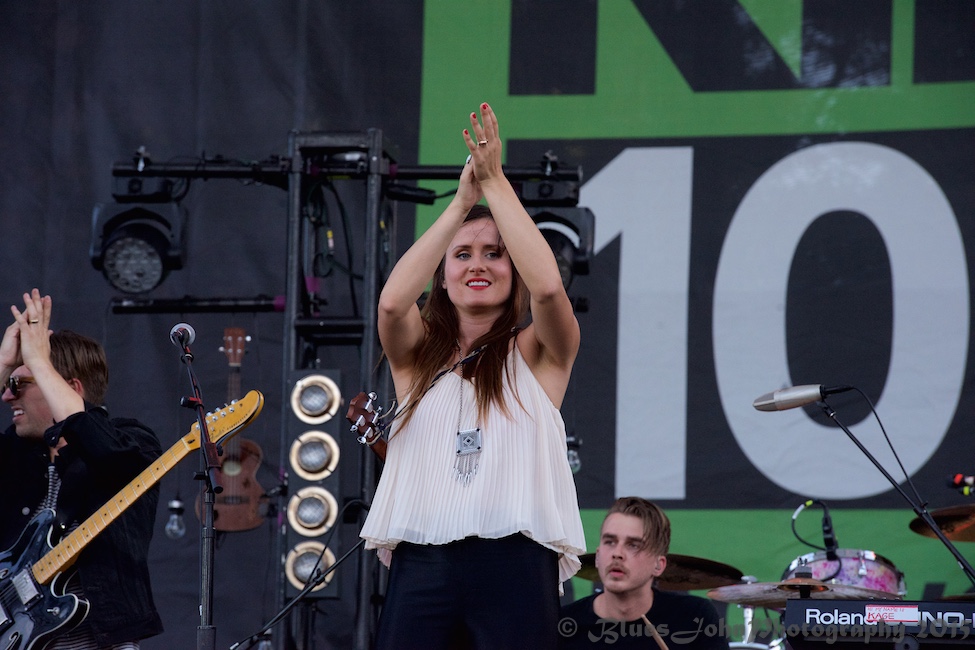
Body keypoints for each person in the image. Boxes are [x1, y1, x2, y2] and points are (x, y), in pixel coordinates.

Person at [359, 102, 586, 649]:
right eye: (462, 255)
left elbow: (551, 291)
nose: (478, 264)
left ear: (515, 273)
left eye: (494, 254)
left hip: (515, 558)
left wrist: (495, 184)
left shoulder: (537, 353)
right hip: (423, 561)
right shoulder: (417, 357)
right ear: (442, 276)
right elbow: (391, 304)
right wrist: (463, 200)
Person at [0, 289, 164, 649]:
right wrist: (2, 367)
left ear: (67, 387)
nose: (7, 396)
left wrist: (41, 363)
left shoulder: (132, 441)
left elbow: (111, 457)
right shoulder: (13, 455)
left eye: (18, 384)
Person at [558, 497, 730, 649]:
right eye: (610, 542)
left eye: (633, 545)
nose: (617, 553)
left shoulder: (694, 618)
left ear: (659, 565)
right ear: (597, 557)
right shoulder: (565, 626)